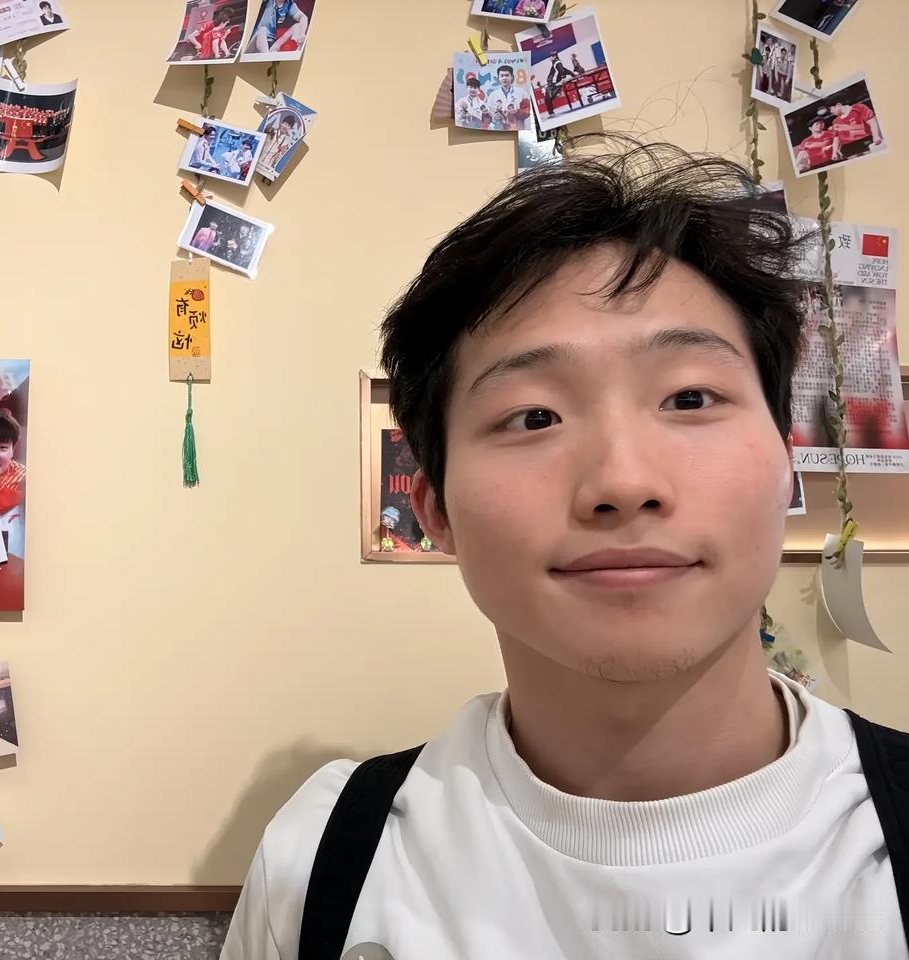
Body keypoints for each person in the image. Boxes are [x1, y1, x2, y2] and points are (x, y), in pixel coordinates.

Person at [219, 143, 909, 959]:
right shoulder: (326, 858)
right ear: (435, 510)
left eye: (691, 397)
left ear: (785, 464)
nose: (623, 481)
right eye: (534, 417)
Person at [828, 95, 883, 160]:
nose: (831, 111)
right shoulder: (835, 122)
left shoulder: (859, 108)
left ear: (838, 105)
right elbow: (836, 138)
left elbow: (872, 122)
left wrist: (876, 136)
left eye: (831, 109)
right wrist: (834, 152)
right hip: (849, 147)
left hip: (864, 141)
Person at [484, 63, 530, 131]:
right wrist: (495, 117)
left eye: (507, 75)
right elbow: (488, 116)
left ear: (512, 77)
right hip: (499, 131)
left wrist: (517, 112)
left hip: (517, 130)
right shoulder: (493, 95)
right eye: (502, 76)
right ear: (498, 78)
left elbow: (528, 110)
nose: (504, 78)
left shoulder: (521, 92)